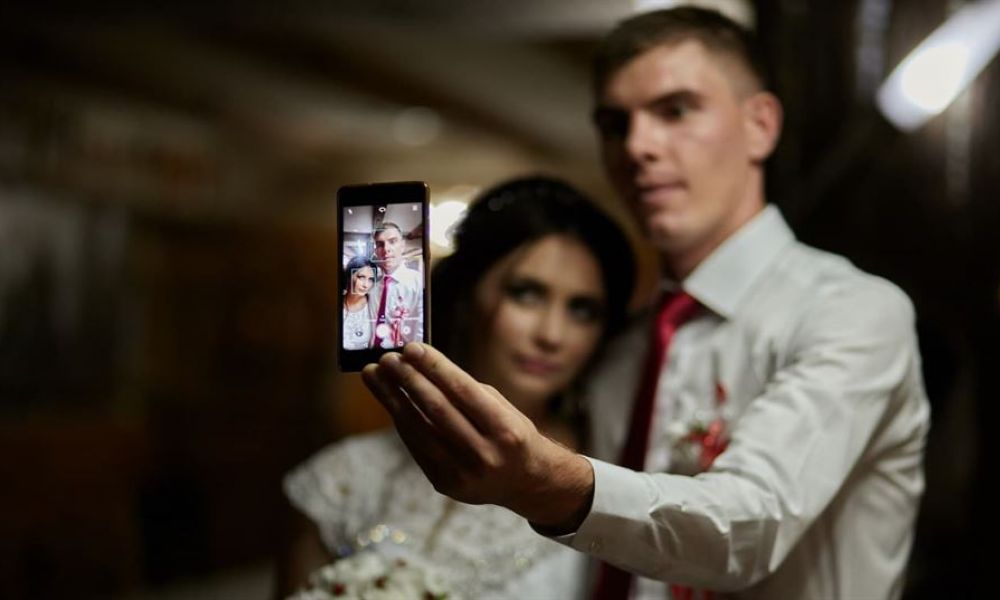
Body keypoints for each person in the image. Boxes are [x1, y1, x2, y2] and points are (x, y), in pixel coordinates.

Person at [361, 6, 930, 600]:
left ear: (760, 125)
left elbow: (752, 526)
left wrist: (548, 484)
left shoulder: (852, 312)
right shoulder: (621, 346)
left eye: (675, 110)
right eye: (614, 124)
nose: (637, 147)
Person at [276, 176, 636, 599]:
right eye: (526, 294)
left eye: (582, 310)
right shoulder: (345, 478)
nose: (552, 334)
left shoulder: (610, 485)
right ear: (467, 296)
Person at [369, 222, 423, 348]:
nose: (386, 249)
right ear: (376, 250)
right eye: (380, 244)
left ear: (402, 245)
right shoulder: (372, 286)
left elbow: (421, 332)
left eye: (392, 241)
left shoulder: (418, 282)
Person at [341, 256, 378, 351]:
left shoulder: (373, 306)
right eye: (361, 277)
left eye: (370, 279)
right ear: (349, 276)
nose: (366, 285)